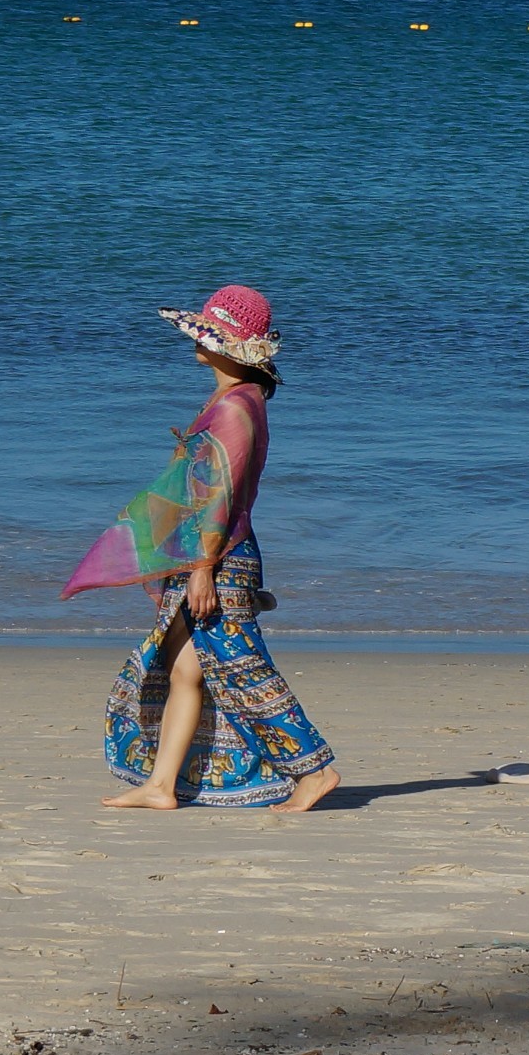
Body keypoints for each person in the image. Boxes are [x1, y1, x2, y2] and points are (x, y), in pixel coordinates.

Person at [62, 285, 340, 812]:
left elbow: (219, 499)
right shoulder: (236, 399)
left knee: (240, 664)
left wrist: (202, 570)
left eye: (206, 333)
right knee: (186, 667)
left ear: (227, 346)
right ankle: (162, 786)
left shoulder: (235, 408)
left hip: (220, 554)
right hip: (215, 550)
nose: (196, 340)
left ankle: (316, 770)